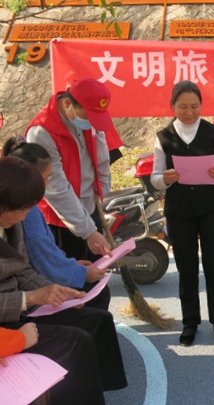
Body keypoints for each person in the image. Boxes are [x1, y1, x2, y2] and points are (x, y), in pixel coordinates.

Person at [0, 156, 127, 405]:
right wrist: (29, 298)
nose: (25, 216)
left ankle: (97, 392)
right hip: (7, 322)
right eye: (21, 210)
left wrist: (54, 291)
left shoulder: (13, 225)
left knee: (97, 320)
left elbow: (23, 271)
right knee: (75, 342)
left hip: (20, 310)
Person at [150, 80, 214, 346]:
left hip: (212, 208)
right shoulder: (163, 137)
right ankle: (190, 322)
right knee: (186, 267)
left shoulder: (213, 132)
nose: (189, 112)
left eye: (195, 106)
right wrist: (165, 179)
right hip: (179, 210)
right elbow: (155, 178)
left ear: (201, 105)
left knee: (213, 265)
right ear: (173, 106)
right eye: (183, 106)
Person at [2, 137, 108, 310]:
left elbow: (27, 270)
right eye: (46, 177)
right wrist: (77, 274)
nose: (49, 182)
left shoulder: (27, 209)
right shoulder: (26, 213)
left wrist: (68, 272)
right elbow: (43, 259)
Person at [26, 77, 113, 262]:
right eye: (88, 116)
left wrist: (100, 189)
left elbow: (102, 157)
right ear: (67, 104)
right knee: (72, 276)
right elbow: (55, 188)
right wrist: (88, 231)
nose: (92, 122)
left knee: (97, 272)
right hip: (60, 219)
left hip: (89, 209)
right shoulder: (42, 131)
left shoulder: (88, 118)